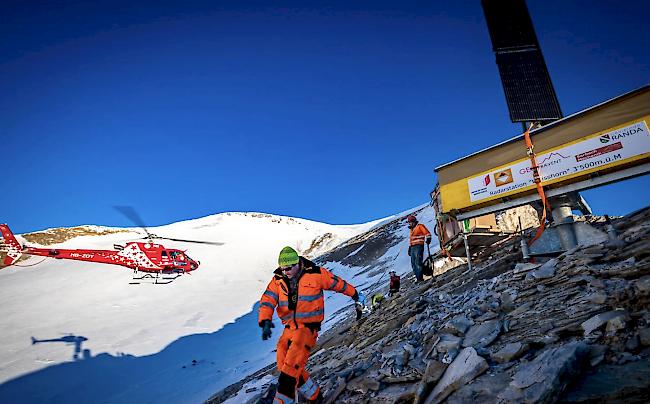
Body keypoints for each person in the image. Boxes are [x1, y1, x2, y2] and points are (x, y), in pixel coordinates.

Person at [259, 246, 365, 404]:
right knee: (283, 361)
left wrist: (355, 294)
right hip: (290, 328)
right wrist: (265, 319)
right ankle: (314, 395)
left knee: (291, 366)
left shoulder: (316, 274)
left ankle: (282, 401)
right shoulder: (277, 279)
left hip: (308, 328)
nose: (285, 271)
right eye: (282, 268)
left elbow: (338, 284)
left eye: (288, 268)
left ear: (297, 264)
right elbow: (268, 299)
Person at [407, 215, 431, 282]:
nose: (410, 223)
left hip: (419, 246)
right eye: (409, 222)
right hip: (413, 247)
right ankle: (418, 278)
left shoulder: (420, 226)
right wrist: (410, 247)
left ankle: (420, 278)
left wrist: (428, 238)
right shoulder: (411, 230)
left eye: (411, 221)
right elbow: (411, 240)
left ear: (414, 221)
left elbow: (427, 233)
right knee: (413, 263)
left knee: (418, 262)